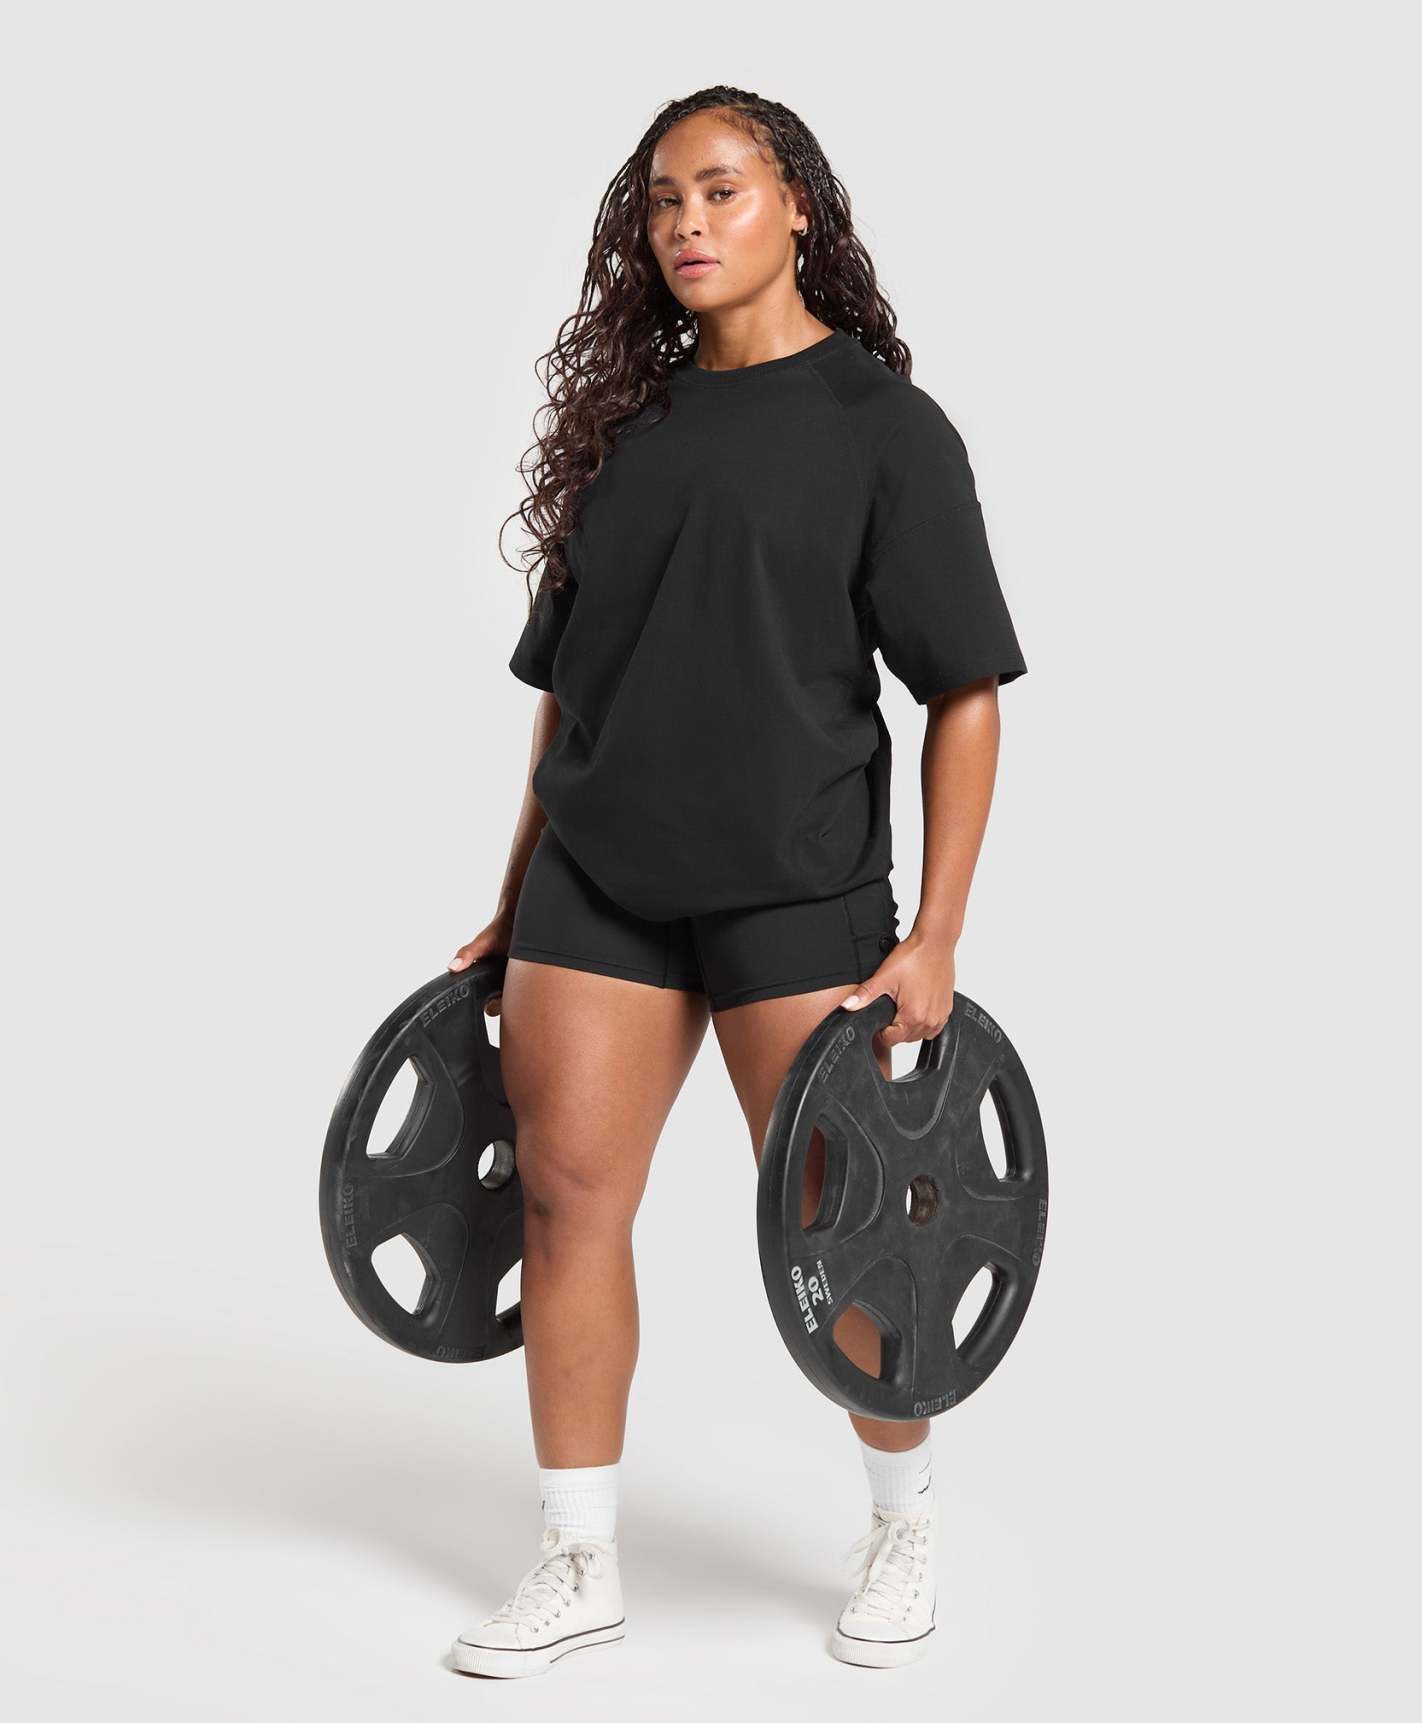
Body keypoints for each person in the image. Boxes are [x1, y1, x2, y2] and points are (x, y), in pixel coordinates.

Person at [445, 84, 1027, 1678]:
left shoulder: (882, 430)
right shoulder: (626, 435)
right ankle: (576, 1559)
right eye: (661, 202)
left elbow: (962, 691)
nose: (686, 224)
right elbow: (570, 694)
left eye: (720, 190)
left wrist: (935, 934)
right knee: (564, 1200)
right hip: (600, 883)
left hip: (794, 886)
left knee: (841, 1227)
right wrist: (515, 888)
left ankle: (902, 1516)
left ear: (796, 208)